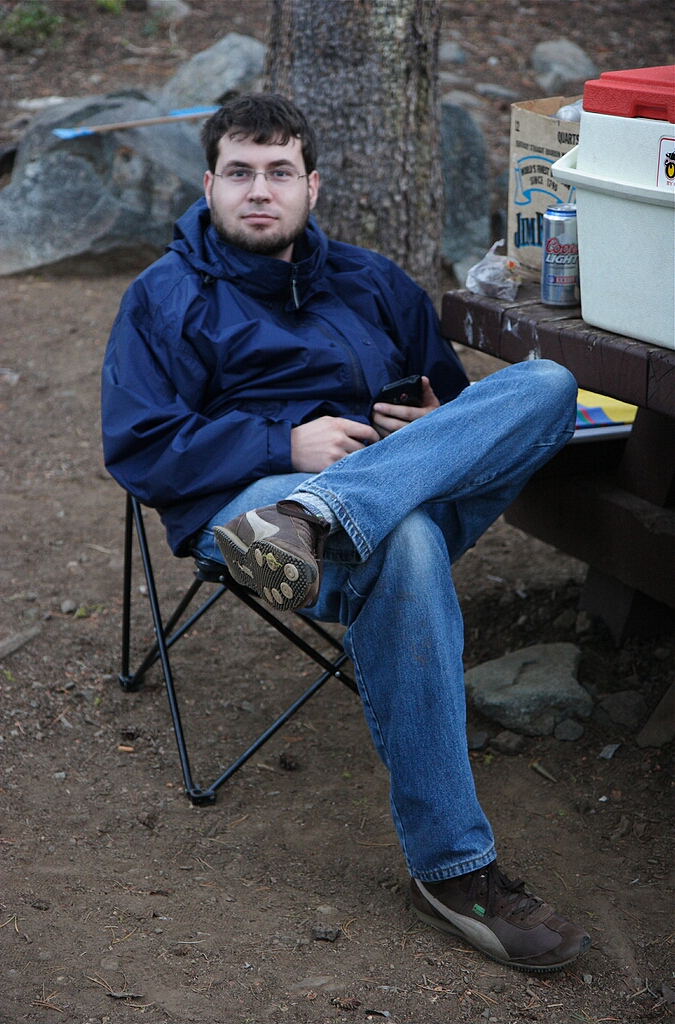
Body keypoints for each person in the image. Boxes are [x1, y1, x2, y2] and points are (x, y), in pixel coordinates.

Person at [102, 93, 590, 972]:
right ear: (209, 184)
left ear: (312, 185)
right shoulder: (163, 298)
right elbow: (137, 447)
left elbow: (446, 402)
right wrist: (281, 444)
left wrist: (431, 423)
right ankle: (454, 871)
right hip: (253, 512)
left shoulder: (371, 283)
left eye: (279, 172)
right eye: (240, 173)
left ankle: (334, 512)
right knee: (401, 545)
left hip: (369, 496)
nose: (260, 190)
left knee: (547, 386)